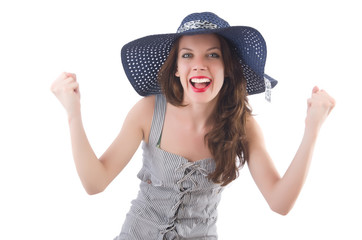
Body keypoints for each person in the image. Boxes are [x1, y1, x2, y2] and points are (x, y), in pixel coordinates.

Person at [50, 12, 335, 240]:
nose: (198, 65)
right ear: (176, 68)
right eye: (187, 55)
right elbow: (95, 182)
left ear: (227, 68)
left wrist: (312, 130)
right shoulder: (148, 112)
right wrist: (73, 113)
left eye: (212, 55)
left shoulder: (243, 126)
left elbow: (280, 202)